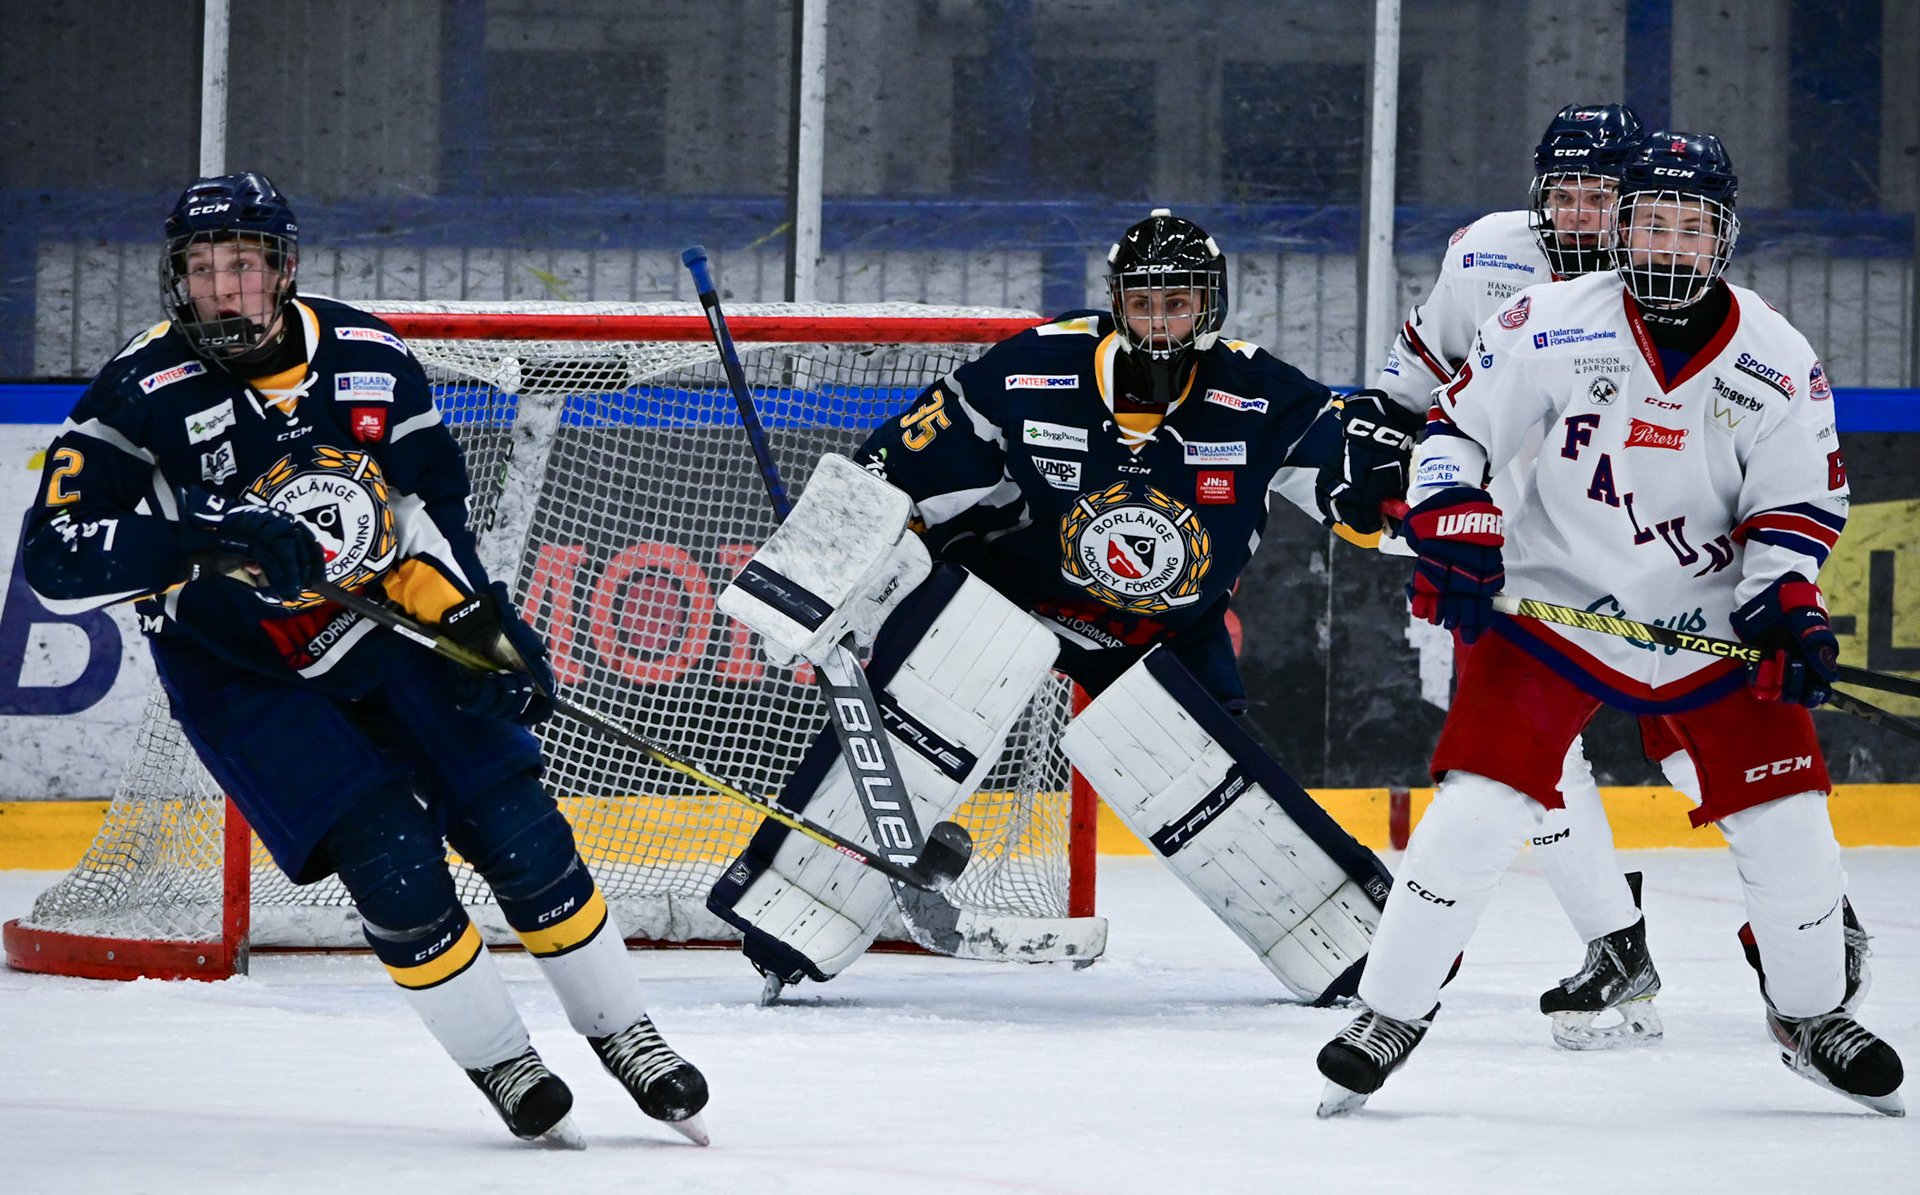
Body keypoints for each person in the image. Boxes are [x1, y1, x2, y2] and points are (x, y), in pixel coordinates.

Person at [22, 174, 709, 1147]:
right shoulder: (141, 388)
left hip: (388, 626)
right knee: (391, 860)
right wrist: (207, 540)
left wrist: (482, 628)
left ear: (283, 269)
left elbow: (433, 511)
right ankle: (505, 1062)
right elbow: (54, 555)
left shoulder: (370, 356)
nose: (222, 288)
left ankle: (626, 1033)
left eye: (242, 264)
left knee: (520, 827)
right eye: (202, 268)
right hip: (241, 672)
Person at [1315, 134, 1904, 1117]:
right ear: (1622, 231)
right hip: (1554, 609)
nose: (1669, 245)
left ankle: (1811, 1017)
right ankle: (1390, 1013)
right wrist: (1453, 513)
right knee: (1476, 810)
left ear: (1724, 237)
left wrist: (1785, 599)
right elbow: (1456, 431)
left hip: (1707, 622)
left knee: (1791, 824)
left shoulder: (1775, 353)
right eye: (1652, 223)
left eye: (1690, 227)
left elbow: (1797, 503)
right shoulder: (1545, 320)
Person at [708, 210, 1422, 1001]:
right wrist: (813, 575)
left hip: (1161, 631)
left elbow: (1358, 493)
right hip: (1012, 595)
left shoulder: (1261, 393)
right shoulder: (1035, 369)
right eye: (1144, 303)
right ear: (1118, 302)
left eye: (1177, 303)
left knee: (1214, 787)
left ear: (1208, 306)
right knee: (928, 710)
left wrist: (1420, 515)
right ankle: (791, 916)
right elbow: (892, 472)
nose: (1159, 322)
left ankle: (1352, 953)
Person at [1377, 103, 1671, 1047]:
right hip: (1511, 558)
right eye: (1564, 195)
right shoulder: (1485, 256)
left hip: (1645, 546)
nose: (1580, 215)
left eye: (1601, 197)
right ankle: (1617, 946)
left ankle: (1820, 921)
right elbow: (1413, 383)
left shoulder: (1671, 274)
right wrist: (1391, 469)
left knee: (1692, 733)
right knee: (1533, 755)